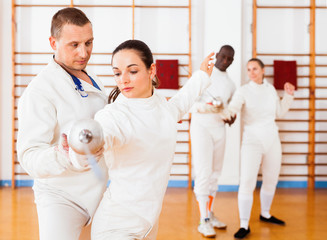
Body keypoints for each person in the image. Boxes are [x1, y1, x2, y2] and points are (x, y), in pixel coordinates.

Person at [86, 40, 214, 240]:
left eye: (132, 71)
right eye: (117, 73)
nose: (124, 80)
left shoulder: (161, 106)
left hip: (149, 225)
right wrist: (87, 144)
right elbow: (103, 135)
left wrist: (202, 76)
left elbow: (180, 103)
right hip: (116, 227)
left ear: (151, 70)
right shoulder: (113, 115)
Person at [17, 8, 108, 240]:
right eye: (74, 44)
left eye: (89, 43)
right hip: (61, 198)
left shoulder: (91, 77)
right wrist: (63, 154)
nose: (84, 52)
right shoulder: (40, 91)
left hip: (99, 193)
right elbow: (29, 155)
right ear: (53, 42)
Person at [224, 58, 295, 239]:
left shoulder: (270, 89)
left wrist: (288, 96)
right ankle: (244, 224)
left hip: (272, 139)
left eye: (255, 69)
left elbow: (279, 112)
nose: (251, 72)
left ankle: (265, 214)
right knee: (247, 182)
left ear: (263, 70)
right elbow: (233, 107)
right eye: (249, 70)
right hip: (252, 141)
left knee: (271, 179)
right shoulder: (243, 90)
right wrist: (228, 114)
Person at [190, 45, 236, 238]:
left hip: (219, 130)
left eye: (229, 59)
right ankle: (203, 221)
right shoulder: (202, 75)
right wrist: (207, 107)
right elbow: (190, 103)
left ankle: (208, 213)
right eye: (223, 57)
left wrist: (229, 117)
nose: (225, 61)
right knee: (203, 173)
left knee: (215, 175)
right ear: (217, 55)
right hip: (201, 128)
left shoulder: (231, 85)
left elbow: (229, 110)